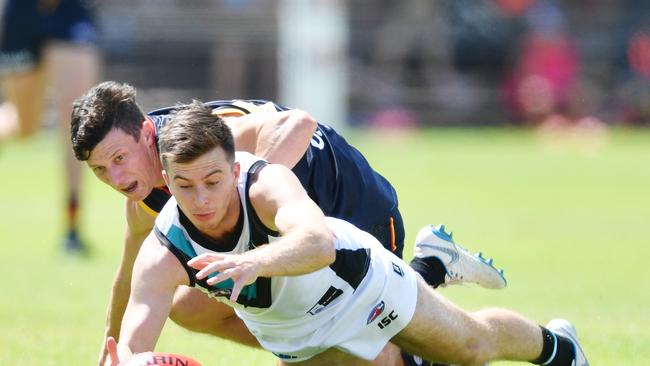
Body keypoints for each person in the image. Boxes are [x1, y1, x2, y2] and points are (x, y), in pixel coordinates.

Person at [106, 102, 589, 366]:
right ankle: (432, 271)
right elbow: (138, 328)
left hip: (360, 283)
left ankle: (558, 349)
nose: (203, 199)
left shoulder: (265, 183)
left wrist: (254, 261)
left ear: (234, 170)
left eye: (213, 181)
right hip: (294, 335)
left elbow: (318, 243)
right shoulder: (163, 248)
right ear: (167, 184)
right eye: (186, 187)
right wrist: (129, 361)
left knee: (472, 348)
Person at [0, 0, 101, 253]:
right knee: (26, 128)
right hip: (22, 13)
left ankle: (72, 228)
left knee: (75, 113)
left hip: (72, 11)